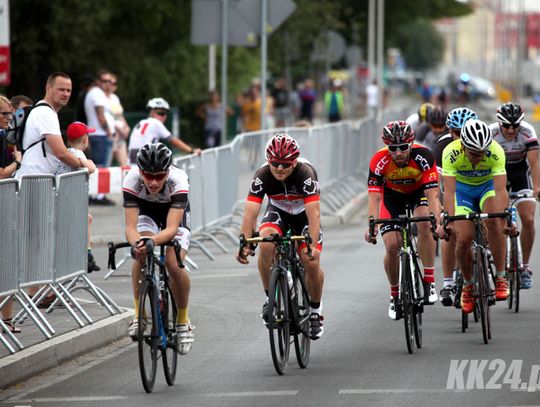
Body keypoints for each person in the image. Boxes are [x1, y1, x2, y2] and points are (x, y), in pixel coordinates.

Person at [236, 133, 325, 340]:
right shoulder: (262, 175)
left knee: (311, 262)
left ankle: (315, 312)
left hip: (304, 216)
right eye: (275, 163)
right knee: (266, 244)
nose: (280, 168)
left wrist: (311, 243)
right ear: (269, 161)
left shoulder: (306, 173)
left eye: (285, 164)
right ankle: (271, 299)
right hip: (278, 212)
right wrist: (244, 242)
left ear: (294, 162)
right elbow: (250, 212)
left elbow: (314, 213)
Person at [15, 72, 83, 308]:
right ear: (48, 88)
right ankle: (36, 290)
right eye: (61, 89)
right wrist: (84, 165)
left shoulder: (47, 113)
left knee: (38, 238)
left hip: (38, 182)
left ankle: (39, 290)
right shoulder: (45, 113)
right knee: (37, 237)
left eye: (68, 90)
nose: (65, 94)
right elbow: (60, 151)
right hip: (34, 182)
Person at [364, 121, 443, 320]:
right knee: (392, 246)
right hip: (392, 197)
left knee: (425, 224)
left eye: (403, 148)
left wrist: (438, 222)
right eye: (393, 148)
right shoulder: (379, 160)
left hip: (418, 193)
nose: (398, 153)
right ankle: (394, 294)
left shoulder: (423, 155)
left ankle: (429, 281)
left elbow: (433, 194)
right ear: (387, 147)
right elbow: (374, 197)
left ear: (410, 144)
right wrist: (372, 225)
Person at [123, 142, 194, 354]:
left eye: (159, 176)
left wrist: (155, 240)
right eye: (148, 176)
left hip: (174, 215)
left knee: (173, 263)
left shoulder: (178, 180)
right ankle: (139, 315)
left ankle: (183, 321)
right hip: (147, 212)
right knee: (140, 254)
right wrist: (139, 243)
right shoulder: (132, 180)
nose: (153, 182)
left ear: (168, 171)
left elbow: (172, 228)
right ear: (140, 171)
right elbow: (130, 227)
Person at [442, 119, 513, 313]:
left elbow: (500, 190)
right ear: (463, 146)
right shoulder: (450, 152)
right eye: (474, 153)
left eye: (482, 153)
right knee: (463, 238)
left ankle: (500, 277)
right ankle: (468, 285)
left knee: (494, 221)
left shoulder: (496, 151)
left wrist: (507, 218)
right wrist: (447, 219)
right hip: (462, 191)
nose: (478, 158)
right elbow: (448, 192)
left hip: (486, 188)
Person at [489, 102, 540, 288]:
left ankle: (525, 267)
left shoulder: (527, 132)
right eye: (506, 126)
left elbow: (534, 163)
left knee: (527, 219)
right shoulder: (491, 133)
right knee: (497, 221)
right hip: (496, 175)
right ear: (499, 123)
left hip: (520, 177)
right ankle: (498, 263)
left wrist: (537, 188)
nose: (511, 130)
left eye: (515, 126)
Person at [434, 107, 478, 306]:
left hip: (478, 185)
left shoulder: (482, 140)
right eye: (457, 133)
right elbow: (438, 186)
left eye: (465, 132)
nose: (461, 138)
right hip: (453, 190)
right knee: (449, 229)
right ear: (450, 131)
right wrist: (442, 213)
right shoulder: (442, 147)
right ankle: (449, 282)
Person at [56, 122, 100, 273]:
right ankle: (85, 254)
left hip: (62, 196)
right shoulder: (78, 154)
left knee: (87, 218)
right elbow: (92, 168)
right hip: (69, 199)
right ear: (85, 139)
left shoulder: (67, 152)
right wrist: (86, 162)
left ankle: (87, 252)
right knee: (82, 222)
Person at [0, 95, 21, 333]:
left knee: (8, 265)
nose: (9, 118)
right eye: (5, 114)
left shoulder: (6, 137)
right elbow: (2, 174)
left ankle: (7, 320)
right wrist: (18, 161)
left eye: (10, 114)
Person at [128, 98, 200, 164]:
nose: (164, 116)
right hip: (145, 155)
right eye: (161, 113)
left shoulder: (141, 122)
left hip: (132, 155)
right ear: (152, 113)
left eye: (165, 114)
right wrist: (192, 151)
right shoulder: (156, 123)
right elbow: (174, 141)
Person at [84, 69, 116, 205]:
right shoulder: (97, 93)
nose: (107, 84)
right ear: (98, 81)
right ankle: (98, 196)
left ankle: (97, 194)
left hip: (98, 134)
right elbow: (100, 115)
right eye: (104, 81)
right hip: (101, 135)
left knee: (100, 165)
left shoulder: (96, 93)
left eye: (110, 81)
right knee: (101, 166)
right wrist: (109, 131)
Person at [107, 73, 130, 166]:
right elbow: (106, 118)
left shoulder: (115, 98)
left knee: (124, 164)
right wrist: (120, 129)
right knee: (105, 165)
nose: (113, 85)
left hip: (120, 136)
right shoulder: (101, 98)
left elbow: (119, 115)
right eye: (110, 83)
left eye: (115, 83)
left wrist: (126, 127)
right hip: (111, 135)